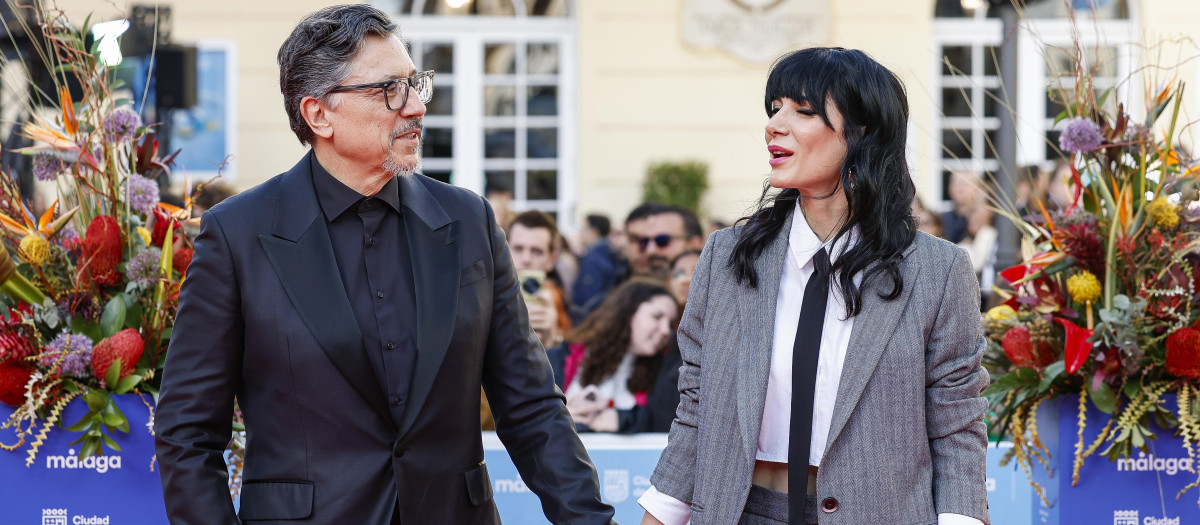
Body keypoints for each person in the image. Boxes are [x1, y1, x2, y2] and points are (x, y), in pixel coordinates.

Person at [154, 6, 615, 524]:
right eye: (389, 89)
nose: (416, 106)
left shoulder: (468, 221)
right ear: (318, 114)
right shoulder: (238, 233)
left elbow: (531, 405)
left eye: (416, 83)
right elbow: (187, 433)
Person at [639, 47, 989, 525]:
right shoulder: (727, 256)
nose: (775, 125)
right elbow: (697, 407)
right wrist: (659, 515)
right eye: (774, 108)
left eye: (803, 111)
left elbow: (956, 427)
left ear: (863, 131)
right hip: (739, 511)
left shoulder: (939, 270)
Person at [548, 278, 679, 434]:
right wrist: (557, 418)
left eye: (670, 324)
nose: (666, 331)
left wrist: (623, 419)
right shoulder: (558, 359)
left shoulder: (666, 373)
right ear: (627, 312)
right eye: (657, 317)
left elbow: (666, 424)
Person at [572, 213, 619, 309]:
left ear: (594, 231)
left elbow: (588, 299)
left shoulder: (593, 260)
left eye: (583, 228)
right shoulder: (606, 253)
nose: (580, 233)